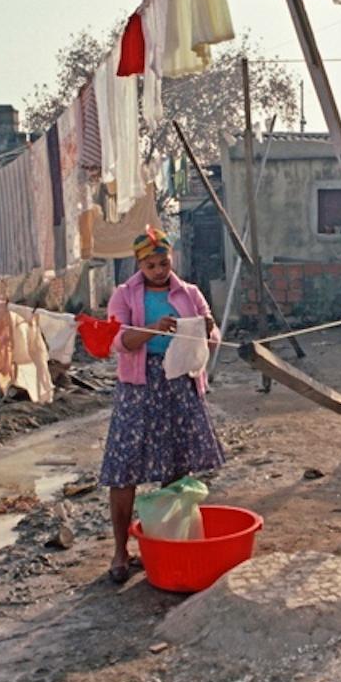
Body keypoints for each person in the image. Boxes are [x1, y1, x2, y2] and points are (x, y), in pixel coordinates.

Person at [98, 227, 225, 583]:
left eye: (164, 262)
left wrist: (208, 329)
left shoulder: (189, 293)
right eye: (151, 264)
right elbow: (119, 341)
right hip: (138, 387)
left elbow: (212, 340)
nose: (158, 269)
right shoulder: (124, 295)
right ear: (139, 264)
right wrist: (154, 330)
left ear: (173, 259)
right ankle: (121, 551)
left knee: (176, 467)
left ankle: (171, 546)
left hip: (179, 383)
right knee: (124, 470)